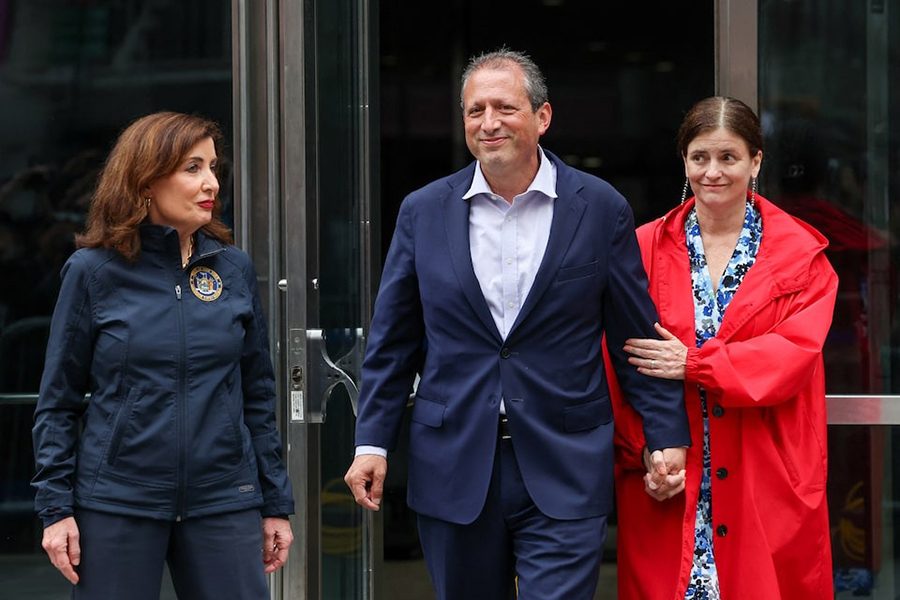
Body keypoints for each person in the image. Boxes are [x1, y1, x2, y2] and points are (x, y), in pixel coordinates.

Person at [343, 49, 691, 600]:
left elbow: (635, 335)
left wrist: (665, 433)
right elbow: (393, 343)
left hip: (565, 459)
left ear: (542, 117)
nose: (489, 122)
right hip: (453, 463)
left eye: (505, 107)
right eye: (474, 109)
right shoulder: (423, 211)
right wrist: (373, 444)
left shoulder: (599, 207)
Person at [32, 112, 295, 599]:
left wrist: (275, 502)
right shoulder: (93, 272)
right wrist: (56, 509)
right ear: (147, 180)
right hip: (118, 500)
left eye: (213, 167)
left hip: (223, 498)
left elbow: (258, 395)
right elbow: (58, 402)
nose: (211, 182)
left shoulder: (231, 267)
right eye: (193, 167)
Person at [611, 96, 838, 599]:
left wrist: (695, 364)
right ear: (685, 161)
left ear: (756, 161)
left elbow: (792, 357)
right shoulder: (641, 248)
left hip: (765, 473)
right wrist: (645, 451)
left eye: (728, 157)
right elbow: (615, 363)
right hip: (674, 472)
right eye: (699, 157)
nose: (712, 172)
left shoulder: (803, 256)